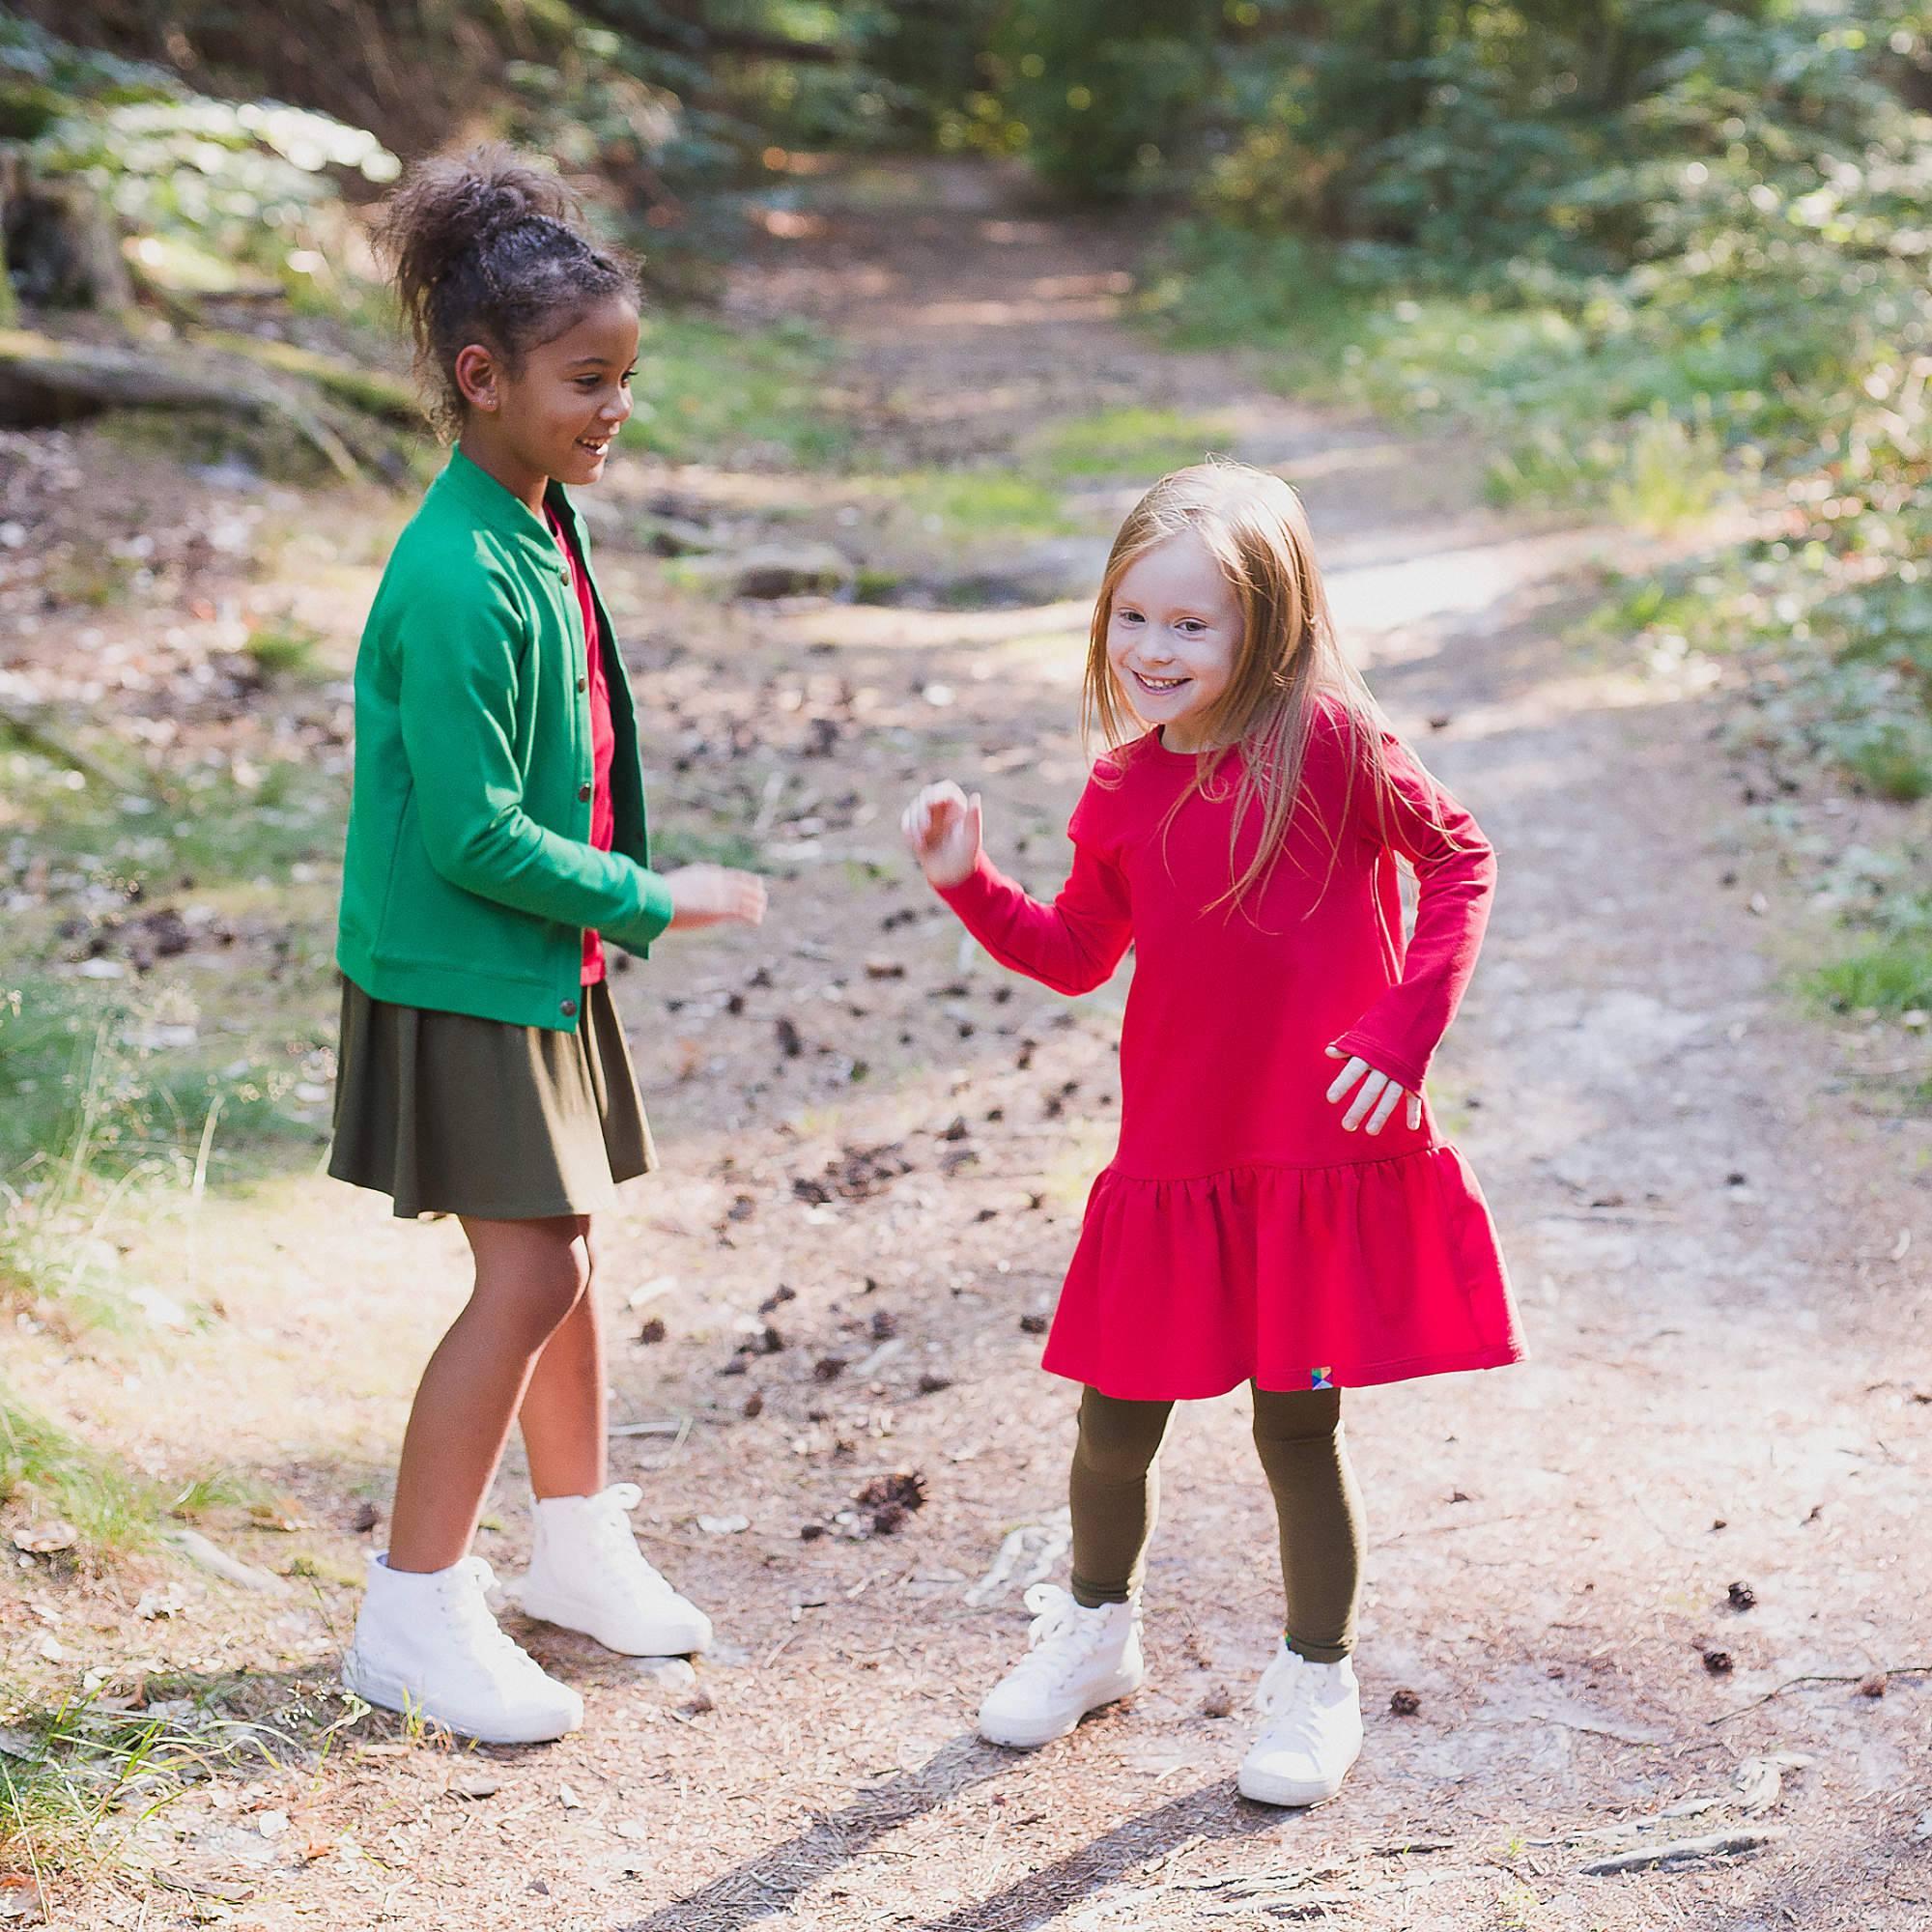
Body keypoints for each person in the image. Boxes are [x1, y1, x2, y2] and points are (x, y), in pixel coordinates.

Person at [901, 460, 1520, 1805]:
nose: (1155, 649)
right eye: (1135, 618)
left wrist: (1407, 1029)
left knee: (1297, 1434)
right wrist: (968, 883)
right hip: (1175, 1160)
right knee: (1113, 1424)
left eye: (1195, 623)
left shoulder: (1336, 748)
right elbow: (1075, 954)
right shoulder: (1121, 791)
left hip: (1310, 1155)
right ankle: (1093, 1637)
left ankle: (1315, 1680)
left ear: (1269, 627)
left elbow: (1459, 856)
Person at [327, 148, 766, 1745]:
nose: (614, 410)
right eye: (589, 380)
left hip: (533, 958)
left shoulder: (534, 516)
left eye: (626, 378)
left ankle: (574, 1546)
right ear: (480, 375)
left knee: (563, 1240)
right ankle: (413, 1609)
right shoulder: (456, 568)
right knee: (531, 1270)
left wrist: (608, 907)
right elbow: (467, 830)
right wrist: (653, 894)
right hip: (467, 962)